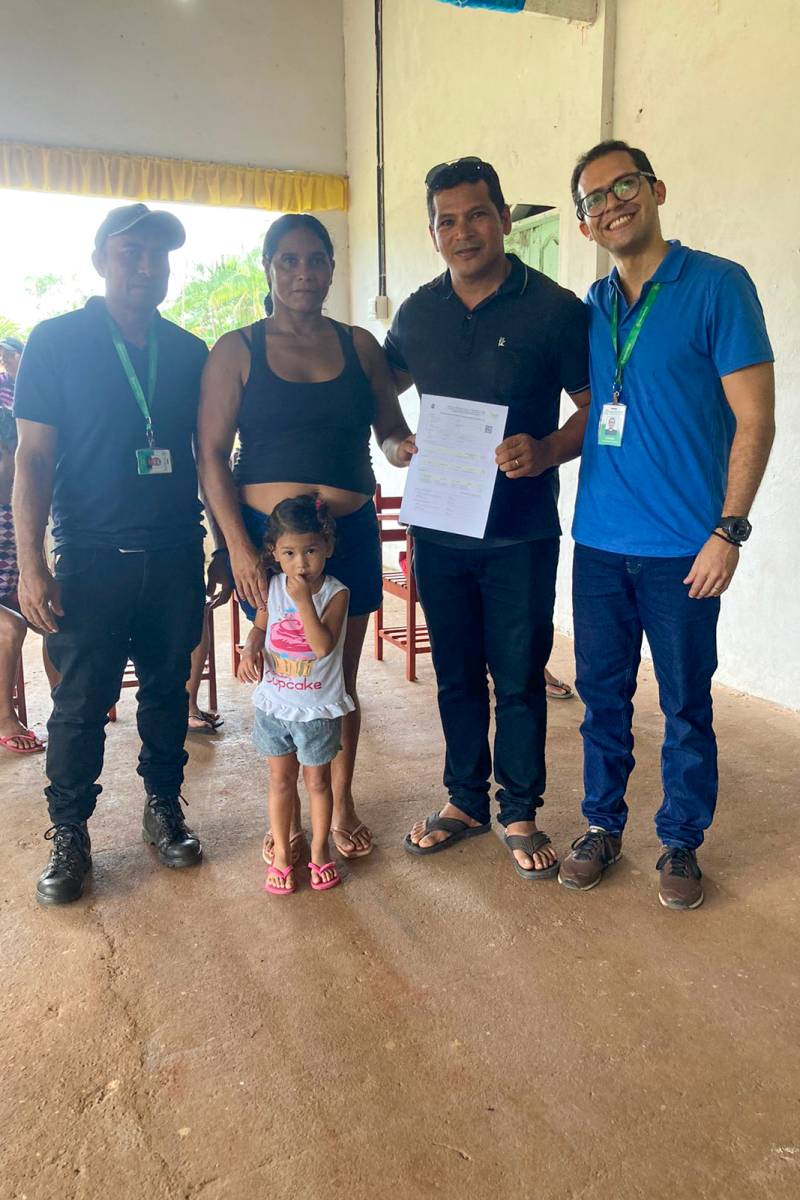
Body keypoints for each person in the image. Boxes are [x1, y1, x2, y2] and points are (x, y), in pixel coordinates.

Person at [559, 140, 775, 909]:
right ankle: (602, 825)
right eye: (594, 199)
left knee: (685, 703)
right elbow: (588, 408)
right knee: (601, 698)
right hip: (598, 544)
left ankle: (681, 840)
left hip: (685, 551)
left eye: (623, 186)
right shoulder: (591, 307)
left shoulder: (717, 285)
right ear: (583, 225)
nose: (611, 204)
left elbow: (756, 419)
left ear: (654, 189)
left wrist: (729, 530)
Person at [13, 203, 229, 906]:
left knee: (169, 692)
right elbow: (33, 458)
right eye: (130, 252)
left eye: (157, 255)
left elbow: (208, 456)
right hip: (91, 558)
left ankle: (163, 808)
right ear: (101, 260)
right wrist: (33, 565)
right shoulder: (56, 341)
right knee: (80, 704)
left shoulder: (189, 351)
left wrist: (223, 545)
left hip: (173, 553)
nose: (145, 266)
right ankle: (70, 834)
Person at [385, 156, 591, 878]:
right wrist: (393, 439)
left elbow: (595, 409)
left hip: (520, 533)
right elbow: (380, 387)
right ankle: (465, 799)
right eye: (447, 221)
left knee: (520, 676)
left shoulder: (555, 309)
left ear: (504, 219)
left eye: (477, 215)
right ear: (433, 233)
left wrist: (548, 449)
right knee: (455, 673)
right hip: (438, 531)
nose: (463, 232)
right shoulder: (418, 312)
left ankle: (520, 809)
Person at [197, 213, 415, 864]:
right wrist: (238, 548)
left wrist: (407, 449)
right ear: (267, 268)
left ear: (331, 268)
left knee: (337, 680)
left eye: (316, 259)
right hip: (271, 546)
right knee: (285, 677)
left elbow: (390, 431)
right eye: (288, 260)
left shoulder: (359, 346)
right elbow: (210, 456)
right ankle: (287, 813)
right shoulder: (236, 349)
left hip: (347, 537)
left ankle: (339, 803)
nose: (303, 272)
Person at [237, 495, 353, 895]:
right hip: (275, 706)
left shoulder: (335, 594)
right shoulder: (271, 587)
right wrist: (250, 649)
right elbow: (261, 627)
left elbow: (322, 646)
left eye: (310, 551)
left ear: (328, 547)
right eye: (289, 553)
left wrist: (303, 601)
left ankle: (320, 850)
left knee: (318, 783)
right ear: (274, 552)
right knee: (280, 781)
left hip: (316, 709)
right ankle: (284, 854)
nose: (301, 563)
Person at [0, 407, 45, 753]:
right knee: (10, 627)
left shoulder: (25, 493)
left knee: (58, 619)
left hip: (10, 589)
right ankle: (4, 717)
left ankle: (69, 709)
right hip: (5, 602)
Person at [0, 336, 23, 411]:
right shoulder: (2, 380)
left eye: (9, 354)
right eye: (1, 356)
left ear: (22, 355)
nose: (3, 359)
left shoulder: (34, 382)